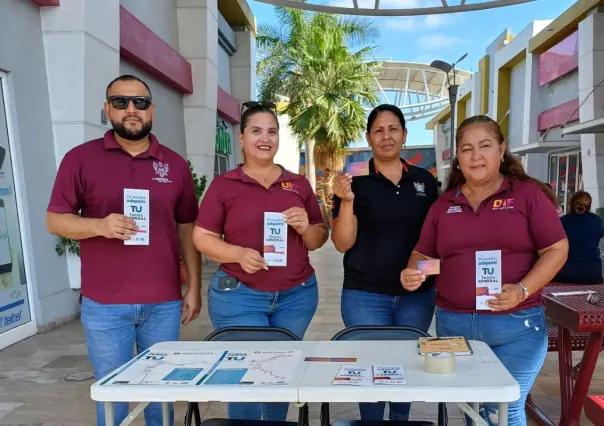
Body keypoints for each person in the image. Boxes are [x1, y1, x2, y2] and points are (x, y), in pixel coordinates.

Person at [46, 75, 201, 426]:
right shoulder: (80, 159)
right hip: (104, 305)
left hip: (163, 302)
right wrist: (98, 226)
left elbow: (187, 227)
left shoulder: (175, 165)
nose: (131, 110)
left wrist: (195, 286)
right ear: (107, 109)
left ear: (152, 111)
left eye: (140, 103)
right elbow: (55, 221)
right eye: (121, 102)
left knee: (160, 395)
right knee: (112, 397)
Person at [401, 115, 568, 426]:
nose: (476, 155)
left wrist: (523, 289)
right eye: (467, 148)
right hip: (454, 327)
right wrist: (415, 272)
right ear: (458, 158)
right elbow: (427, 255)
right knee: (473, 412)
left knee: (502, 408)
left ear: (501, 150)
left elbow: (557, 249)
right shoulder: (443, 205)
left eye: (485, 146)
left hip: (516, 328)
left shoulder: (527, 196)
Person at [192, 101, 328, 421]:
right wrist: (237, 254)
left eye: (272, 131)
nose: (264, 138)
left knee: (280, 372)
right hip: (239, 296)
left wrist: (306, 227)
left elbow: (318, 238)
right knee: (246, 374)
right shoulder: (224, 185)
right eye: (256, 131)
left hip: (296, 296)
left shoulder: (299, 184)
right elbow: (202, 237)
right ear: (241, 138)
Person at [331, 104, 438, 421]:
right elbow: (342, 243)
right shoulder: (353, 181)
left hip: (416, 297)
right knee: (371, 369)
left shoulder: (425, 181)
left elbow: (434, 240)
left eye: (393, 129)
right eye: (378, 130)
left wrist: (424, 273)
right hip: (364, 294)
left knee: (406, 366)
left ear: (405, 135)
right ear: (368, 137)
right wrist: (347, 201)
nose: (386, 136)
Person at [554, 191, 604, 284]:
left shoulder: (562, 221)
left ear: (571, 204)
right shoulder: (597, 220)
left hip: (564, 273)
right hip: (592, 274)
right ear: (589, 205)